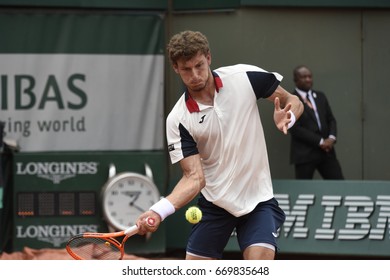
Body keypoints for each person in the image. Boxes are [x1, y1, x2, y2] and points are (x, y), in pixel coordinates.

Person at [136, 30, 303, 260]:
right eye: (186, 69)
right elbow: (194, 178)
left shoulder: (244, 77)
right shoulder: (178, 119)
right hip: (215, 204)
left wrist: (289, 116)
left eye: (199, 65)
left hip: (258, 200)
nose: (194, 75)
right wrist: (158, 211)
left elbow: (292, 100)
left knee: (259, 266)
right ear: (176, 68)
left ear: (209, 58)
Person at [289, 65, 344, 179]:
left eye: (310, 76)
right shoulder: (291, 99)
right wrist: (320, 141)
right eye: (304, 77)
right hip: (305, 154)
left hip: (327, 152)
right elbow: (295, 128)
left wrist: (331, 138)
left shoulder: (320, 96)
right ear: (296, 80)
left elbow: (331, 119)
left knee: (339, 186)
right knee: (303, 192)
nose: (308, 79)